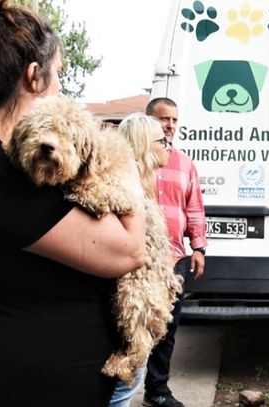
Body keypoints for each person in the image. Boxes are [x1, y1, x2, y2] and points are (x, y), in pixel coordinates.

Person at [0, 1, 146, 405]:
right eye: (56, 74)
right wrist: (125, 165)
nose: (58, 87)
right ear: (33, 77)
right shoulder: (1, 176)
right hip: (9, 387)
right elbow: (127, 249)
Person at [142, 97, 207, 407]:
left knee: (167, 330)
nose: (169, 125)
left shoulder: (184, 162)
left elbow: (194, 208)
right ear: (148, 120)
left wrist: (198, 247)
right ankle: (117, 387)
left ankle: (157, 391)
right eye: (163, 119)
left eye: (174, 120)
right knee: (132, 326)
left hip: (174, 259)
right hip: (136, 258)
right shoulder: (131, 158)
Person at [109, 112, 172, 407]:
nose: (168, 144)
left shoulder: (141, 186)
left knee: (126, 386)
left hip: (136, 315)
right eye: (162, 140)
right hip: (123, 315)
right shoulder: (126, 190)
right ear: (145, 145)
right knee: (120, 391)